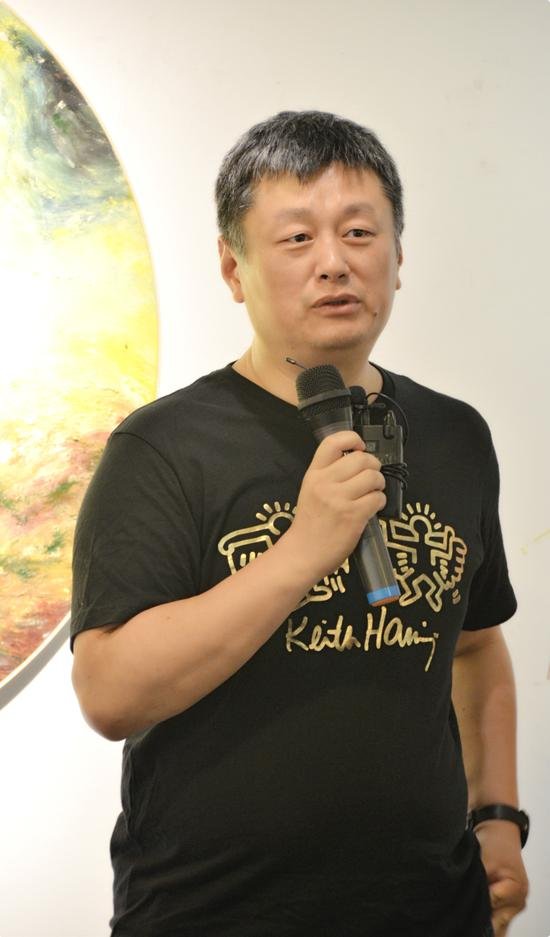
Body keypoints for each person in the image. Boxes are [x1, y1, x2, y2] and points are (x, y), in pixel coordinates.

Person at [70, 110, 529, 937]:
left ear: (398, 256)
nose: (334, 262)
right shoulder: (164, 447)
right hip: (212, 913)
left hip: (433, 909)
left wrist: (497, 813)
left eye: (359, 232)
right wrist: (301, 552)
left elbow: (475, 645)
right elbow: (110, 692)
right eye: (296, 238)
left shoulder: (456, 434)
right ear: (232, 267)